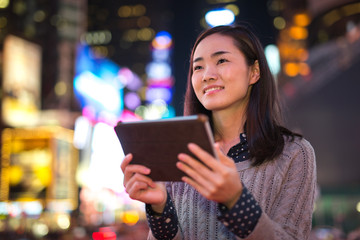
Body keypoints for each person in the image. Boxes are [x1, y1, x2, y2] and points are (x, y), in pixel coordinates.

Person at [121, 24, 317, 240]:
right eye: (198, 67)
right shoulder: (179, 154)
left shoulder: (294, 153)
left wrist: (236, 200)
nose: (207, 75)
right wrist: (160, 208)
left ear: (254, 72)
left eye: (221, 61)